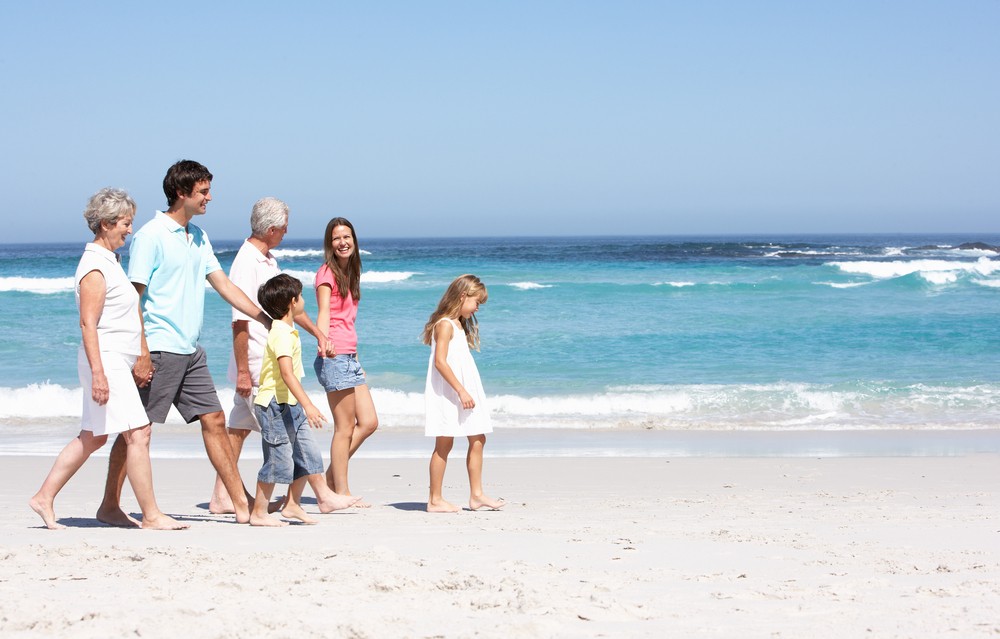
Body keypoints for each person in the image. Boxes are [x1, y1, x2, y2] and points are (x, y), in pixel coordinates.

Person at [97, 160, 273, 526]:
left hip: (190, 350)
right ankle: (110, 505)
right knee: (136, 429)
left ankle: (240, 504)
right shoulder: (150, 236)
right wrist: (142, 352)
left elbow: (223, 284)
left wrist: (262, 318)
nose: (211, 197)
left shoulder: (199, 236)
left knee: (214, 418)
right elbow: (134, 299)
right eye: (204, 191)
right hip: (159, 347)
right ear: (182, 193)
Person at [29, 188, 188, 530]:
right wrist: (100, 374)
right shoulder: (94, 268)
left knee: (95, 436)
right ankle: (152, 515)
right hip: (105, 360)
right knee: (139, 432)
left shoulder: (110, 262)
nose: (130, 230)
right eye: (126, 223)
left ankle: (44, 497)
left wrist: (139, 355)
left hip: (114, 360)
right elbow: (88, 323)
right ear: (105, 224)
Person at [207, 197, 334, 514]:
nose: (286, 233)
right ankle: (315, 496)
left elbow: (284, 308)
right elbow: (239, 319)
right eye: (284, 228)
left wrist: (317, 333)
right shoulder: (246, 262)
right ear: (272, 228)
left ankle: (222, 494)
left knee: (238, 429)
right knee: (290, 430)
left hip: (267, 357)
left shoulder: (268, 260)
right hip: (257, 360)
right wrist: (243, 372)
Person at [250, 274, 361, 526]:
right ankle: (259, 512)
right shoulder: (281, 334)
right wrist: (309, 405)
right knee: (278, 460)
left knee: (308, 455)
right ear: (293, 302)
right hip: (274, 406)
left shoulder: (289, 329)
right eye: (300, 296)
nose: (303, 301)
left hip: (291, 403)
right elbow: (286, 373)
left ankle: (294, 505)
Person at [422, 274, 505, 513]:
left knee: (478, 438)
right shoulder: (445, 324)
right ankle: (435, 499)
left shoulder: (457, 323)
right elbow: (440, 362)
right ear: (462, 296)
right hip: (450, 392)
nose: (478, 307)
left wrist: (466, 390)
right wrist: (460, 390)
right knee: (444, 443)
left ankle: (476, 495)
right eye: (476, 301)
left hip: (465, 390)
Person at [314, 217, 378, 504]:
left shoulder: (351, 273)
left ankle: (331, 477)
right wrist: (323, 340)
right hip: (333, 354)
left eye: (347, 237)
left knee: (369, 422)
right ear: (330, 243)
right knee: (345, 428)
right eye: (337, 238)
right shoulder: (326, 273)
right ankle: (340, 491)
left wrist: (357, 358)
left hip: (349, 356)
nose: (343, 242)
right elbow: (324, 311)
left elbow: (349, 320)